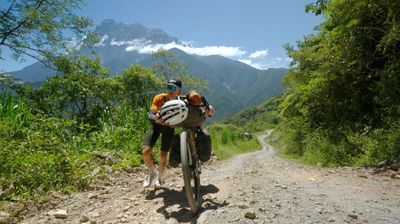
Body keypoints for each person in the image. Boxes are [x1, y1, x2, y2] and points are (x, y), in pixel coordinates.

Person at [141, 79, 183, 188]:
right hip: (155, 126)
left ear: (180, 91)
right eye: (169, 87)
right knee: (145, 152)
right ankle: (152, 173)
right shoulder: (159, 98)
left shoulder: (181, 102)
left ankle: (159, 178)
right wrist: (156, 119)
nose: (170, 90)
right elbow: (151, 114)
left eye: (173, 88)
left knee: (163, 155)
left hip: (169, 129)